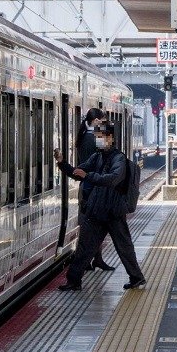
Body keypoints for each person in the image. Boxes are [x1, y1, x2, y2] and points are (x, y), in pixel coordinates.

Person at [54, 123, 145, 291]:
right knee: (84, 246)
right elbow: (78, 172)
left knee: (123, 246)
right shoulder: (97, 157)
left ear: (110, 138)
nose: (99, 141)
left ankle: (137, 277)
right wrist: (62, 164)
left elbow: (113, 179)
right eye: (97, 138)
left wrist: (89, 176)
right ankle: (74, 281)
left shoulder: (119, 159)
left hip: (113, 210)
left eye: (101, 137)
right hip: (97, 209)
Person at [73, 108, 114, 274]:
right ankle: (87, 261)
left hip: (88, 185)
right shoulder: (93, 139)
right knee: (91, 226)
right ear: (96, 121)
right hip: (92, 187)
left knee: (92, 225)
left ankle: (96, 259)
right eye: (102, 120)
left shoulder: (84, 136)